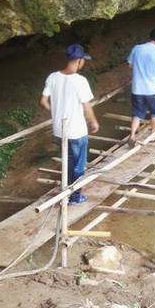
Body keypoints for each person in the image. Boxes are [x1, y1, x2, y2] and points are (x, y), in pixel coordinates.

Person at [40, 44, 99, 204]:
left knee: (67, 161)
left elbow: (43, 101)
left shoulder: (52, 77)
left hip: (59, 131)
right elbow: (87, 106)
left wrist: (56, 112)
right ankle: (75, 197)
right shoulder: (80, 81)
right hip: (77, 131)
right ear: (79, 61)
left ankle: (66, 192)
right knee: (79, 166)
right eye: (83, 61)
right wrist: (93, 122)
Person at [127, 28, 155, 145]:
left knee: (137, 113)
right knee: (154, 113)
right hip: (151, 90)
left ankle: (132, 135)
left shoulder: (136, 49)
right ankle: (153, 136)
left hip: (137, 89)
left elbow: (130, 65)